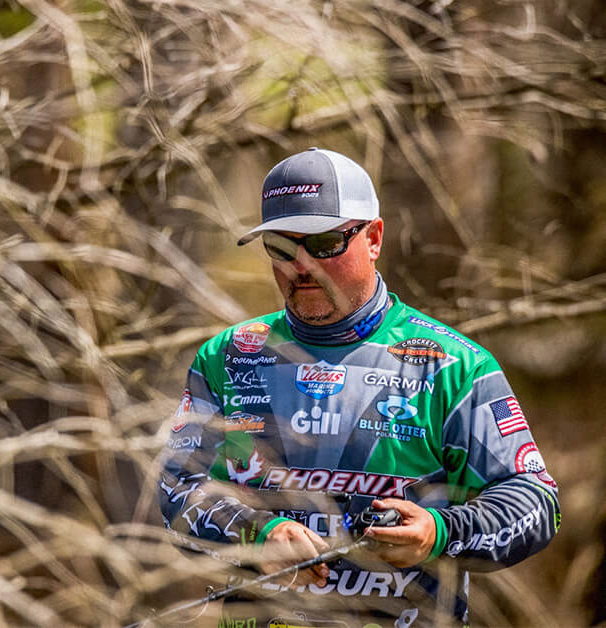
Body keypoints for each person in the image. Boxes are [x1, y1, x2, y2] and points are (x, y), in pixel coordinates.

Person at [158, 148, 560, 627]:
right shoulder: (227, 357)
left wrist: (439, 530)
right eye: (282, 247)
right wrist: (253, 531)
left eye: (325, 242)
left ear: (373, 238)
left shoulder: (454, 366)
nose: (301, 265)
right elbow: (175, 487)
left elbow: (536, 500)